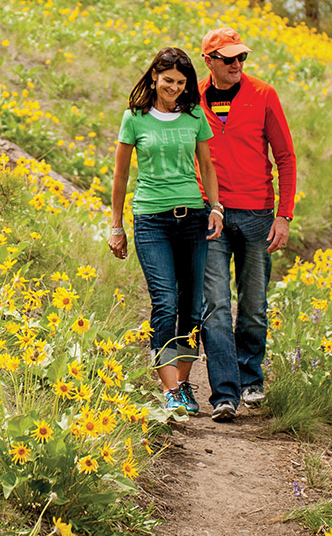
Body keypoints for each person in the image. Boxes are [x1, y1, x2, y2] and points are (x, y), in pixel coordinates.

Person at [109, 47, 224, 415]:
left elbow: (207, 166)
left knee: (193, 307)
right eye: (168, 80)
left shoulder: (194, 116)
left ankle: (186, 383)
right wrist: (116, 226)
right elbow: (121, 175)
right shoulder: (135, 118)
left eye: (181, 82)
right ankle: (170, 388)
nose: (174, 87)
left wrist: (216, 207)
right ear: (155, 76)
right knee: (165, 303)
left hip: (193, 217)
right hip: (150, 221)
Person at [198, 27, 296, 422]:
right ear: (209, 61)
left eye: (241, 57)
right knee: (216, 305)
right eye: (228, 59)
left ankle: (250, 378)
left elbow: (285, 157)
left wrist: (284, 216)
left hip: (258, 214)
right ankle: (224, 392)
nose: (237, 64)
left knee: (253, 304)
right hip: (212, 214)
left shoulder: (264, 95)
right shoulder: (192, 99)